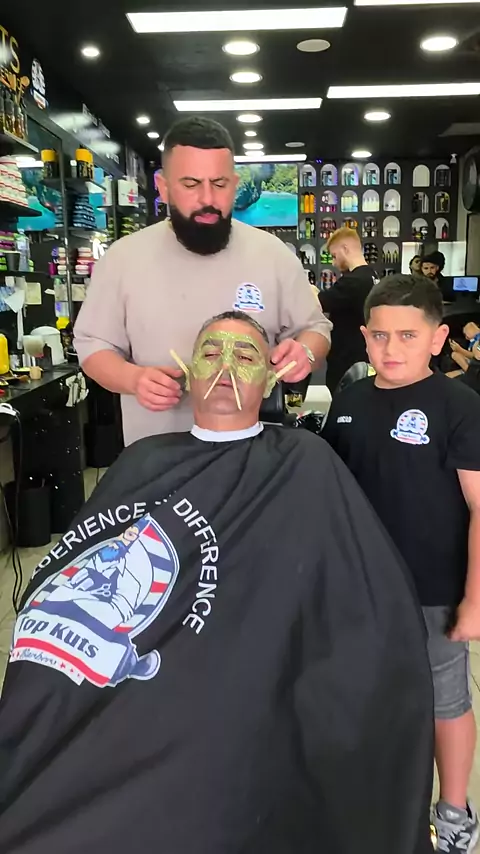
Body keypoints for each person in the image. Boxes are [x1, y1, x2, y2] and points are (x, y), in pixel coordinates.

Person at [0, 310, 434, 854]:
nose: (226, 367)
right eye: (210, 353)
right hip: (133, 663)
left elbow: (355, 589)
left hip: (233, 675)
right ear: (188, 372)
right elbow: (75, 564)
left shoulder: (304, 460)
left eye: (246, 356)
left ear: (270, 379)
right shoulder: (143, 459)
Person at [322, 274, 480, 854]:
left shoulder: (460, 407)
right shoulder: (349, 402)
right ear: (364, 335)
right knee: (368, 696)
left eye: (408, 335)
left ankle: (455, 811)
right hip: (360, 585)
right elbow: (329, 493)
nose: (391, 348)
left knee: (445, 701)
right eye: (380, 335)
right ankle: (377, 801)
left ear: (437, 339)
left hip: (433, 588)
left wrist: (475, 598)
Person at [74, 116, 331, 445]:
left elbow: (316, 329)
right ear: (163, 186)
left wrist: (304, 352)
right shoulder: (123, 260)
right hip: (157, 452)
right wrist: (132, 378)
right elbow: (93, 347)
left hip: (253, 452)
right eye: (191, 184)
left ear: (234, 184)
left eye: (219, 184)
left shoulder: (273, 255)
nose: (207, 198)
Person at [318, 227, 379, 393]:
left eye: (334, 256)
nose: (333, 263)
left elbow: (319, 303)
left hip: (348, 359)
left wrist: (308, 290)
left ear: (345, 249)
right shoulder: (372, 276)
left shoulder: (354, 281)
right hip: (362, 354)